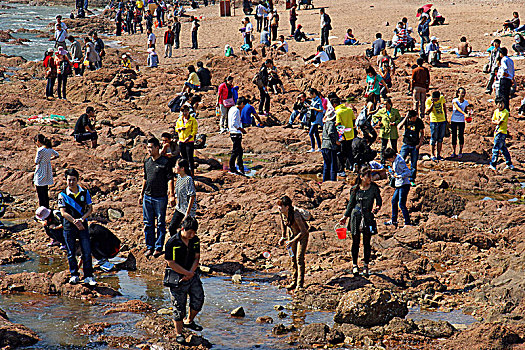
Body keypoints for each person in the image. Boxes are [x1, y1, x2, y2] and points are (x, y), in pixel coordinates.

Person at [164, 216, 205, 345]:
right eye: (190, 232)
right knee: (178, 307)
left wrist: (191, 273)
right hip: (177, 278)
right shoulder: (172, 242)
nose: (192, 235)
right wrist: (186, 273)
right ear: (183, 228)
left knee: (199, 299)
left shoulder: (195, 240)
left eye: (194, 232)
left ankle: (189, 321)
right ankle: (179, 333)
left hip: (192, 275)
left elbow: (197, 257)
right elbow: (171, 263)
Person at [339, 169, 381, 277]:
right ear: (362, 177)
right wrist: (345, 217)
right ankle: (354, 265)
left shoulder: (374, 188)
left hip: (368, 217)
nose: (370, 179)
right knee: (355, 242)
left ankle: (366, 266)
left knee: (367, 242)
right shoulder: (355, 189)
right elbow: (351, 204)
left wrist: (376, 208)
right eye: (368, 177)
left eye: (371, 176)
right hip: (355, 217)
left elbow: (379, 201)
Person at [58, 168, 96, 286]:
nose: (71, 182)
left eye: (74, 180)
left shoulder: (85, 192)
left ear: (77, 180)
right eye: (69, 180)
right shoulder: (62, 194)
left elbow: (90, 208)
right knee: (71, 252)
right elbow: (63, 212)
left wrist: (82, 219)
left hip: (82, 225)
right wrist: (75, 221)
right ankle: (74, 274)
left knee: (86, 251)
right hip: (69, 226)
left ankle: (88, 275)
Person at [141, 137, 175, 257]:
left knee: (160, 223)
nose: (149, 150)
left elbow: (170, 179)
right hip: (147, 197)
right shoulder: (147, 162)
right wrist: (141, 194)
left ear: (157, 148)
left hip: (160, 198)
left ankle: (159, 247)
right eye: (148, 147)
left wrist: (172, 196)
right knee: (148, 223)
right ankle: (150, 246)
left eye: (151, 147)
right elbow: (145, 178)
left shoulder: (165, 162)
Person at [277, 195, 309, 291]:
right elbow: (283, 224)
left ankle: (300, 284)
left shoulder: (296, 215)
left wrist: (292, 241)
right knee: (292, 258)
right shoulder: (282, 213)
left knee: (299, 258)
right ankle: (294, 281)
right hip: (292, 235)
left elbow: (303, 231)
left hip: (302, 236)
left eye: (281, 206)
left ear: (287, 207)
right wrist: (283, 236)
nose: (279, 208)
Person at [168, 158, 197, 236]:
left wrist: (187, 213)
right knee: (172, 228)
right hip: (180, 208)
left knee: (187, 231)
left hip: (188, 210)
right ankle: (177, 243)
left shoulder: (188, 179)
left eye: (176, 165)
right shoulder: (179, 177)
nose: (174, 167)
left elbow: (192, 196)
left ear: (182, 168)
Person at [384, 148, 411, 228]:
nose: (389, 160)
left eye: (389, 158)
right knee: (394, 201)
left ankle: (407, 222)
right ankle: (394, 220)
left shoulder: (400, 161)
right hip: (398, 184)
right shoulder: (395, 159)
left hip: (404, 184)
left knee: (401, 204)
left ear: (392, 156)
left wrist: (399, 176)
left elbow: (408, 172)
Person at [398, 110, 424, 186]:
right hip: (406, 143)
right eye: (414, 117)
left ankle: (411, 179)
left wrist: (419, 144)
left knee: (413, 163)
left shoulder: (419, 121)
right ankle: (400, 176)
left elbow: (422, 133)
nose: (415, 118)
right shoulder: (406, 120)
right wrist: (406, 117)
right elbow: (399, 127)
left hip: (415, 144)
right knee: (400, 159)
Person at [372, 98, 402, 163]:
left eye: (386, 104)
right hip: (384, 131)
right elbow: (374, 116)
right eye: (384, 104)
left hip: (392, 131)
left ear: (390, 104)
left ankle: (395, 161)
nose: (385, 106)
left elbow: (399, 119)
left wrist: (395, 123)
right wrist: (378, 121)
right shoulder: (381, 111)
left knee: (394, 146)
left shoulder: (395, 111)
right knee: (383, 147)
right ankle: (383, 161)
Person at [33, 134, 59, 208]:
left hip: (41, 169)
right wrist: (50, 159)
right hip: (47, 169)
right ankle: (47, 209)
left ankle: (42, 209)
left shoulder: (40, 150)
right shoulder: (49, 149)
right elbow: (57, 154)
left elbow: (36, 161)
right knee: (45, 191)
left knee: (40, 193)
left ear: (37, 141)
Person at [489, 96, 514, 171]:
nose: (500, 105)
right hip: (497, 132)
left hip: (501, 132)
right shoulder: (496, 111)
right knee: (503, 149)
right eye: (498, 103)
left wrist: (496, 122)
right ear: (496, 104)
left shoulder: (505, 112)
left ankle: (493, 164)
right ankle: (509, 163)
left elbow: (499, 122)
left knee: (496, 148)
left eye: (502, 103)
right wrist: (496, 122)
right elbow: (493, 120)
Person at [335, 96, 356, 176]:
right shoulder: (349, 110)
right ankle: (352, 166)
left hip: (343, 135)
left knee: (341, 153)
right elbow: (354, 120)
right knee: (350, 151)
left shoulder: (338, 112)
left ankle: (341, 171)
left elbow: (338, 124)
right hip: (350, 134)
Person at [321, 95, 339, 182]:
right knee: (332, 165)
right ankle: (332, 181)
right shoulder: (331, 123)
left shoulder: (325, 123)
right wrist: (336, 141)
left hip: (324, 146)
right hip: (330, 146)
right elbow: (331, 133)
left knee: (326, 165)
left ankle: (325, 181)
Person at [175, 105, 198, 175]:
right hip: (181, 140)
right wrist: (179, 129)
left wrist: (188, 138)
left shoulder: (193, 120)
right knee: (184, 158)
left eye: (186, 111)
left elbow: (194, 131)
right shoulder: (179, 120)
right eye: (183, 111)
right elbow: (176, 128)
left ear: (188, 112)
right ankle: (185, 172)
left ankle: (192, 173)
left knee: (190, 157)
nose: (184, 113)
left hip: (189, 141)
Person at [425, 90, 447, 161]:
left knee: (440, 138)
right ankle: (432, 154)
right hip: (434, 121)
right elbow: (427, 111)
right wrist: (432, 104)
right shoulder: (428, 100)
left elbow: (444, 107)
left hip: (442, 120)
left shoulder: (441, 98)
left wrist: (446, 118)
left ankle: (438, 154)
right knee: (433, 138)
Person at [228, 97, 248, 175]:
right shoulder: (236, 110)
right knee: (235, 151)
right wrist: (241, 129)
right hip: (236, 133)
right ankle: (231, 168)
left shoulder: (231, 109)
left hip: (233, 132)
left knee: (239, 151)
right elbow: (234, 123)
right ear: (242, 104)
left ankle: (240, 167)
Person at [450, 87, 470, 158]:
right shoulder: (454, 100)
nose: (463, 94)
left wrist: (468, 116)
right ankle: (454, 151)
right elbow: (457, 108)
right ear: (458, 93)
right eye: (462, 93)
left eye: (464, 93)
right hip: (454, 120)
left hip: (461, 121)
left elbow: (466, 110)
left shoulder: (465, 102)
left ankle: (460, 151)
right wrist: (464, 113)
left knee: (461, 135)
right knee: (454, 135)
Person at [496, 47, 514, 111]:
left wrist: (504, 74)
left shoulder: (503, 59)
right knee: (506, 96)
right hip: (509, 79)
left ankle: (504, 109)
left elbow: (505, 68)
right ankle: (507, 109)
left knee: (502, 95)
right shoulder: (510, 60)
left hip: (504, 79)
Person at [307, 88, 324, 152]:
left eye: (310, 94)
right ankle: (319, 147)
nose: (309, 96)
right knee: (316, 133)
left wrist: (313, 108)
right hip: (313, 118)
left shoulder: (318, 100)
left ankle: (313, 148)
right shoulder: (313, 100)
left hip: (317, 119)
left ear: (313, 93)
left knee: (311, 133)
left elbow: (321, 109)